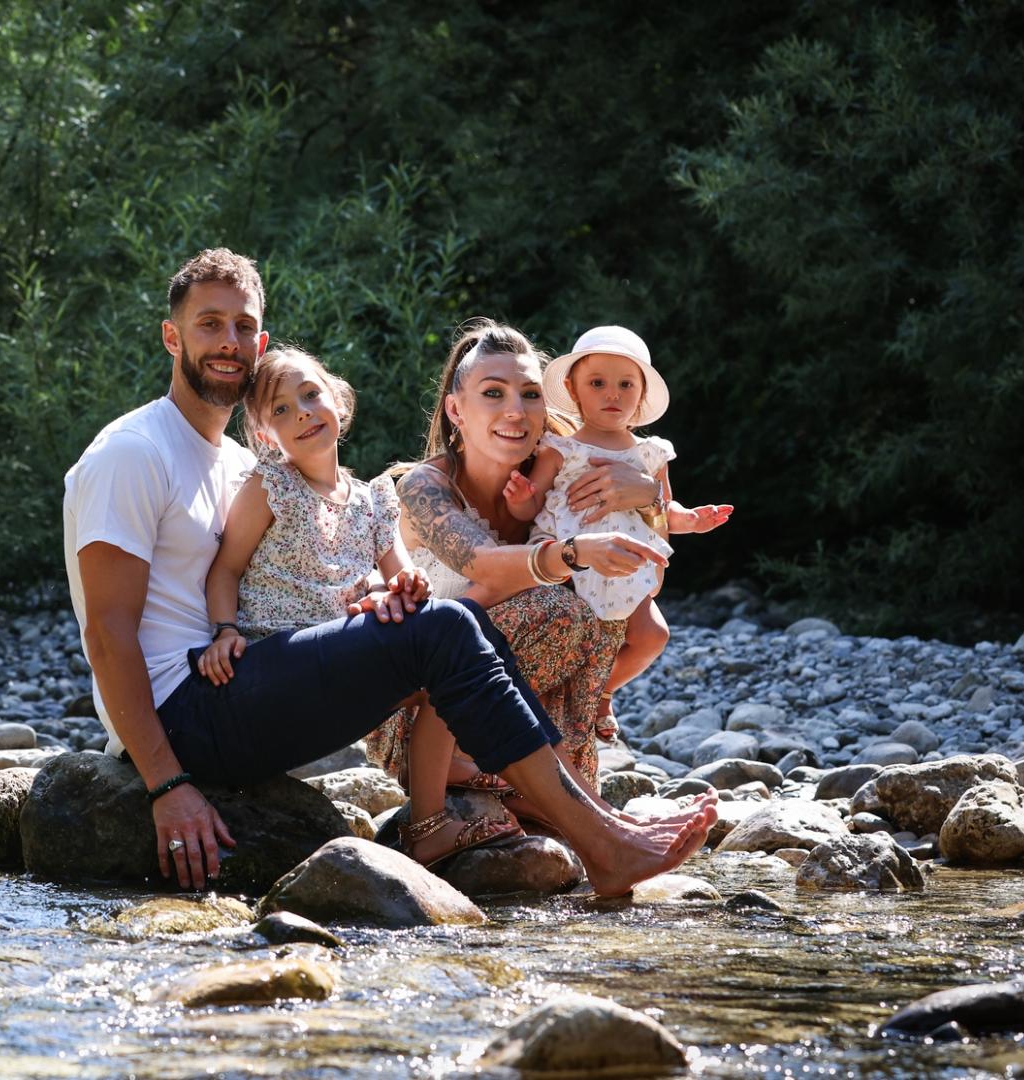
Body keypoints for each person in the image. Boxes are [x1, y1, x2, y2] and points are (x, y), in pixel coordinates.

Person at [62, 249, 712, 897]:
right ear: (172, 335)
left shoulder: (240, 465)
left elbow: (296, 587)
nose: (228, 342)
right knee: (447, 628)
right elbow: (107, 632)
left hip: (247, 687)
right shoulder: (133, 452)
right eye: (209, 324)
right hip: (187, 714)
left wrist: (371, 602)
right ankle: (602, 844)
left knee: (439, 621)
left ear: (260, 343)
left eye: (242, 326)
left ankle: (593, 826)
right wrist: (168, 786)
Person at [367, 320, 716, 815]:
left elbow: (634, 569)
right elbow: (486, 568)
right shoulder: (425, 488)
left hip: (530, 716)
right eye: (493, 392)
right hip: (426, 710)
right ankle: (460, 792)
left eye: (530, 394)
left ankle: (554, 786)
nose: (515, 409)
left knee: (587, 605)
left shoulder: (559, 477)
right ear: (455, 409)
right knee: (557, 605)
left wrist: (651, 499)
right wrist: (573, 552)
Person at [197, 344, 522, 868]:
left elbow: (403, 579)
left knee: (451, 646)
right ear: (264, 436)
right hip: (277, 659)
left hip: (343, 658)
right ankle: (462, 787)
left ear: (339, 403)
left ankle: (430, 819)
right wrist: (224, 630)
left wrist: (406, 586)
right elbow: (226, 570)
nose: (301, 411)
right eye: (280, 410)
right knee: (443, 639)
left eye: (310, 395)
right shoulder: (269, 487)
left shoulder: (373, 499)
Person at [508, 325, 731, 739]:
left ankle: (604, 691)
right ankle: (550, 710)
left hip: (628, 565)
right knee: (572, 639)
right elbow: (533, 507)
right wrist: (521, 495)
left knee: (653, 635)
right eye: (598, 383)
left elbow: (663, 512)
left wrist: (692, 520)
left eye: (626, 385)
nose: (613, 394)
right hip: (568, 564)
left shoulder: (650, 454)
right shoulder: (562, 450)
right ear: (574, 391)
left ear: (641, 395)